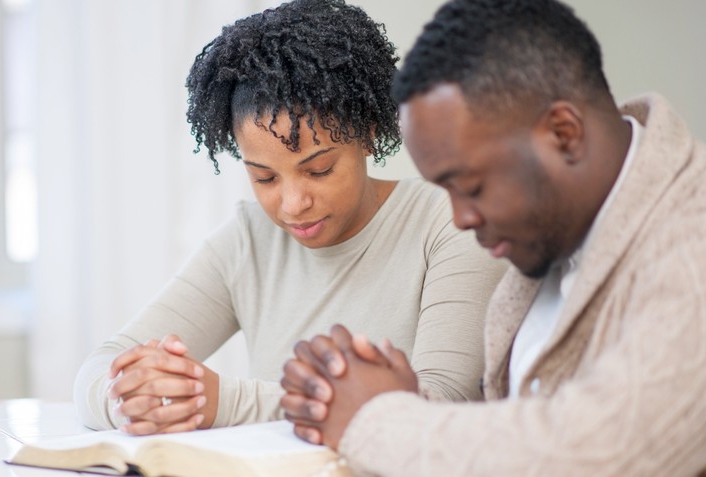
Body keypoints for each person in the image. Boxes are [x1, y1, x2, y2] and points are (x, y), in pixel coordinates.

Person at [280, 0, 706, 474]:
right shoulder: (553, 239)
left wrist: (378, 418)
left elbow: (600, 451)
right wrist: (401, 402)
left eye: (473, 187)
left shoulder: (692, 240)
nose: (459, 217)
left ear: (564, 134)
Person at [73, 0, 505, 436]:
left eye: (319, 170)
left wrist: (225, 401)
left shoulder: (449, 226)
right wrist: (133, 402)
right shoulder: (249, 241)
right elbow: (101, 364)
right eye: (264, 178)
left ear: (368, 133)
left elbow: (440, 402)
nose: (293, 204)